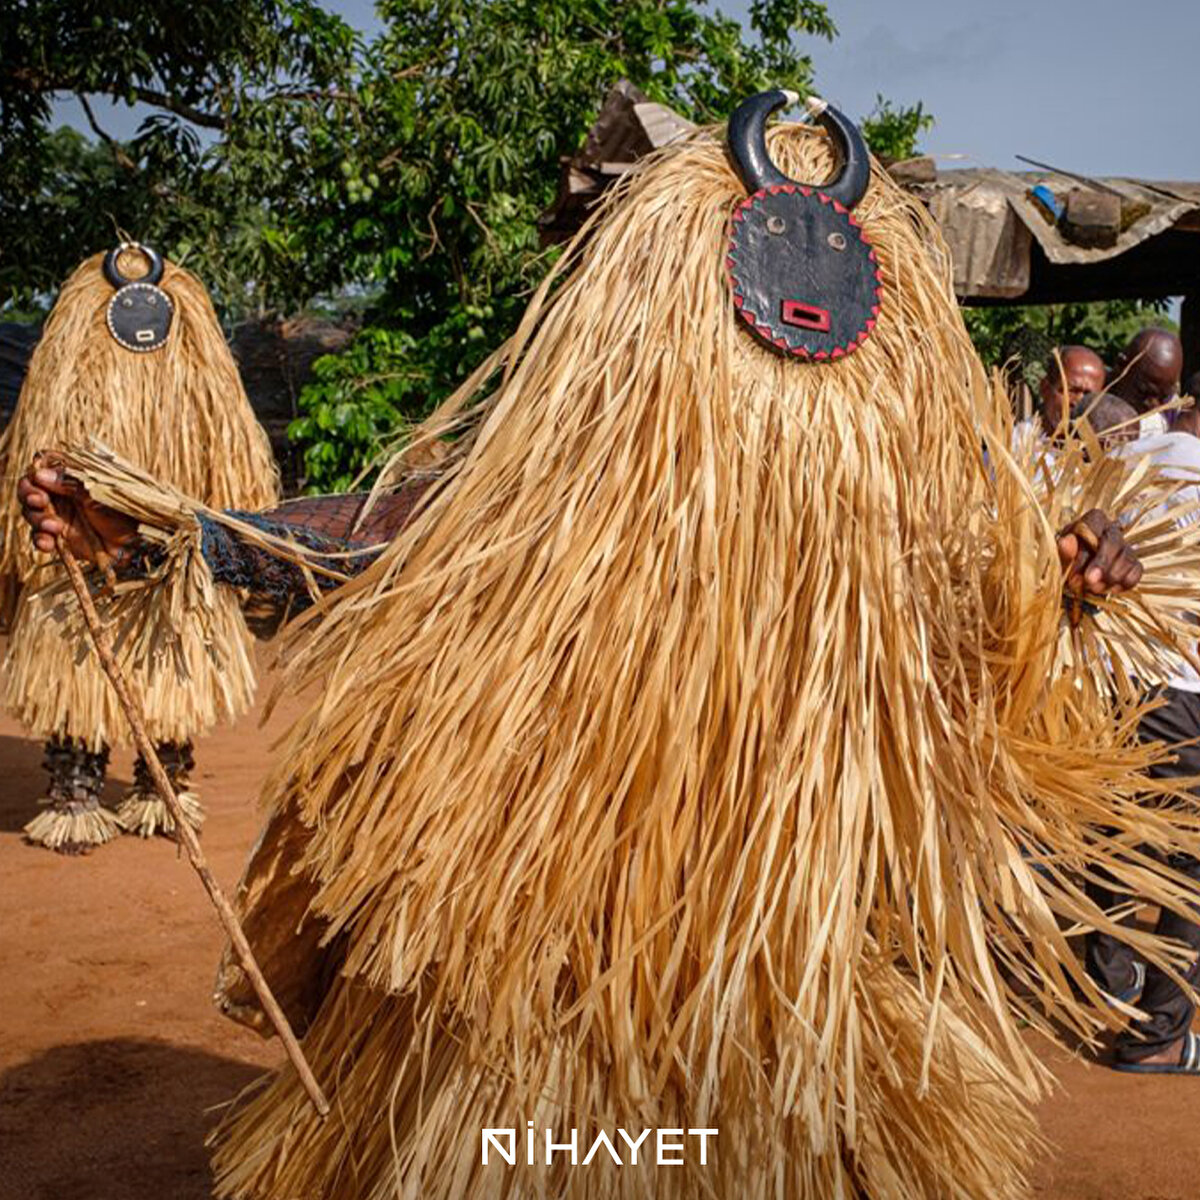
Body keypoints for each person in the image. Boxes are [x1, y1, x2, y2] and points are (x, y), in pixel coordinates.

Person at [11, 94, 1199, 1200]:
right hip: (545, 1013)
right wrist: (167, 528)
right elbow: (372, 541)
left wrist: (1064, 578)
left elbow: (991, 635)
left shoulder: (903, 529)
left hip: (787, 1006)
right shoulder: (560, 499)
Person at [0, 242, 280, 851]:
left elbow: (234, 469)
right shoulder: (67, 376)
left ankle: (164, 786)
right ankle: (76, 795)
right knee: (82, 668)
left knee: (170, 674)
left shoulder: (200, 381)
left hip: (176, 554)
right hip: (80, 561)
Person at [1086, 423, 1200, 1073]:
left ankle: (1110, 978)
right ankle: (1159, 1036)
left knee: (1115, 835)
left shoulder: (1128, 455)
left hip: (1110, 682)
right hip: (1179, 689)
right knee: (1186, 865)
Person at [1108, 328, 1184, 431]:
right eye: (1144, 392)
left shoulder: (1171, 414)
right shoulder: (1090, 393)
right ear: (1122, 365)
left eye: (1163, 398)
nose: (1154, 407)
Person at [1038, 345, 1107, 436]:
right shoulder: (1017, 443)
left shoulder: (1113, 448)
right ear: (1045, 389)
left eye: (1088, 395)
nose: (1078, 402)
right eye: (1071, 391)